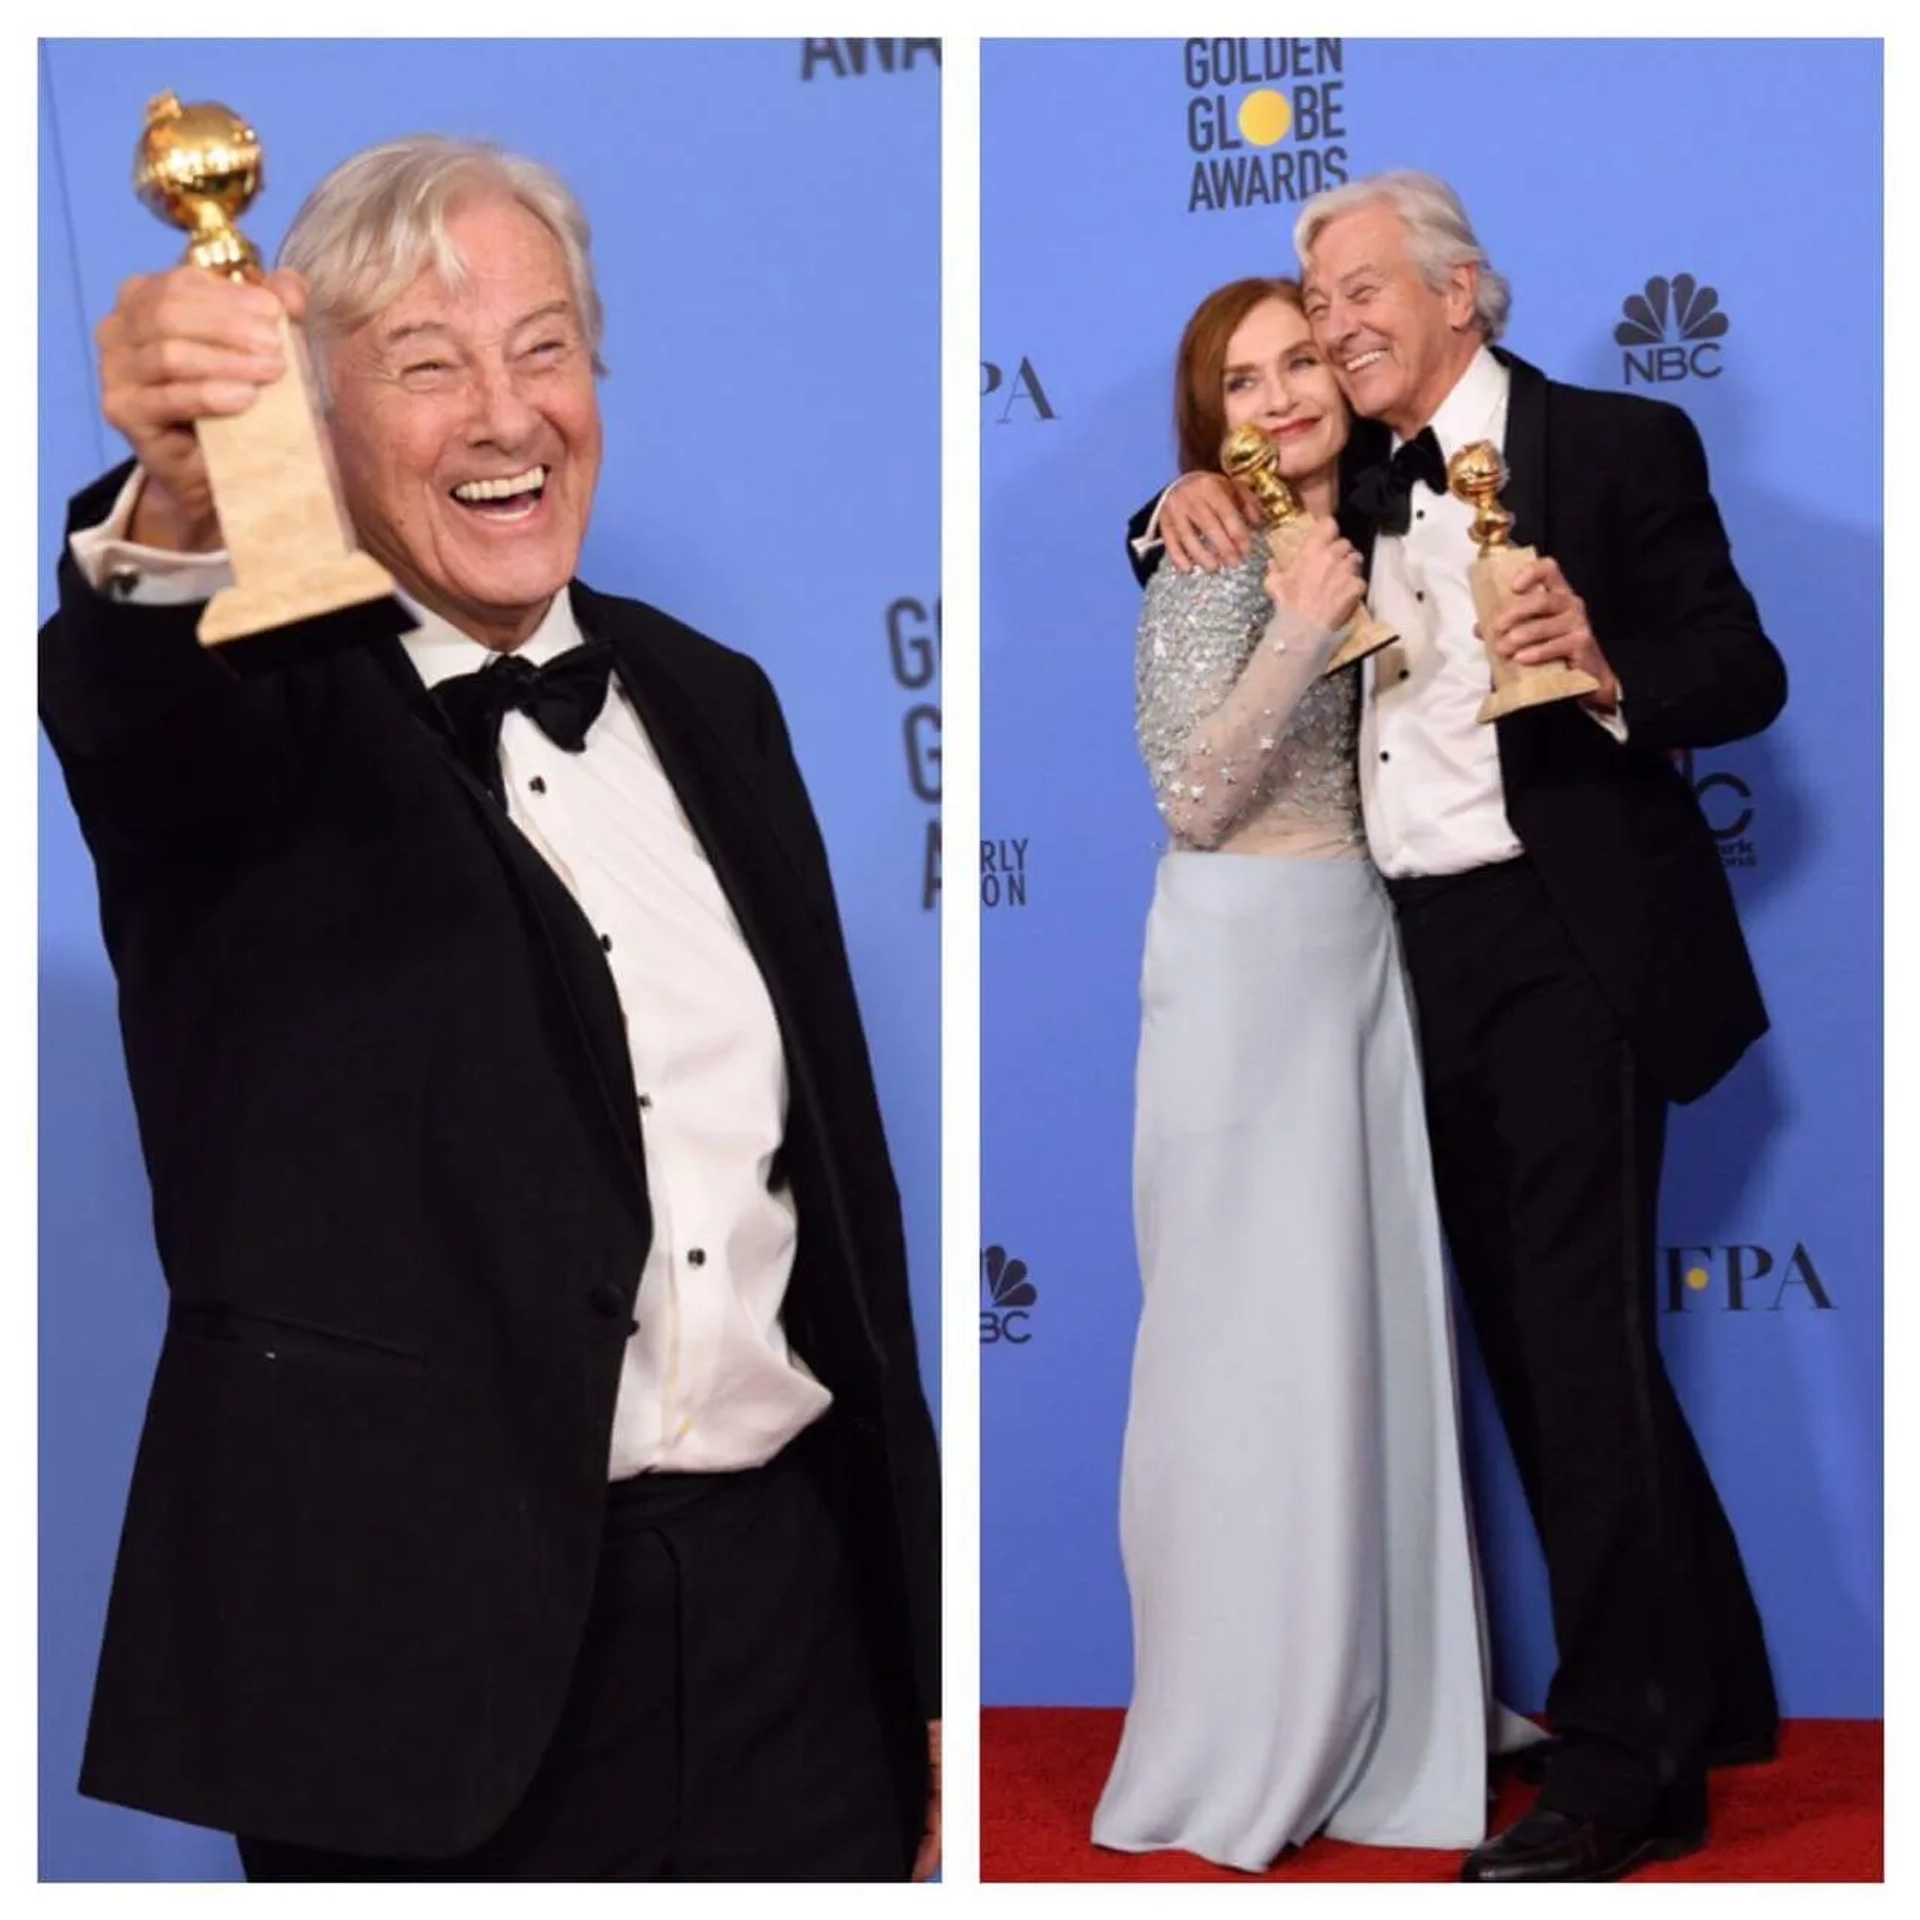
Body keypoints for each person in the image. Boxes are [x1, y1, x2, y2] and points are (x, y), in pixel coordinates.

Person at [40, 134, 939, 1883]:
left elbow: (836, 1206)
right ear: (310, 409)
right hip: (416, 1674)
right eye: (428, 366)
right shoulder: (251, 711)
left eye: (544, 349)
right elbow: (135, 712)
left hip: (786, 1641)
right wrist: (172, 506)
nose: (508, 416)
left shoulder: (710, 696)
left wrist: (908, 1659)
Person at [1129, 171, 1783, 1884]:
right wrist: (1179, 492)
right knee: (1540, 1340)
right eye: (1313, 298)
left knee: (1571, 1343)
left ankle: (1627, 1763)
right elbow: (1206, 543)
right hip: (1403, 954)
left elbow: (1747, 667)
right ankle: (1707, 1682)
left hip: (1574, 943)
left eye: (1355, 291)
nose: (1331, 322)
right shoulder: (1317, 484)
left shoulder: (1618, 445)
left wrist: (1612, 661)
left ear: (1463, 294)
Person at [1091, 275, 1503, 1873]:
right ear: (1209, 423)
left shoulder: (1409, 501)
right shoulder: (1199, 551)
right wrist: (1306, 616)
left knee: (1363, 1337)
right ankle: (1241, 1716)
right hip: (1242, 963)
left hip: (1363, 954)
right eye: (1242, 381)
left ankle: (1390, 1700)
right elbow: (1192, 792)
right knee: (1239, 1351)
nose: (1280, 397)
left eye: (1301, 361)